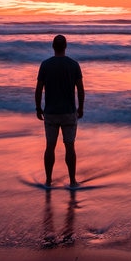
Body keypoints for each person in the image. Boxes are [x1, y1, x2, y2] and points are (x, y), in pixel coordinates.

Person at [35, 34, 84, 188]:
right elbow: (81, 90)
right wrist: (80, 107)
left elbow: (38, 89)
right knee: (70, 146)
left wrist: (38, 107)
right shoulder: (74, 65)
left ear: (53, 47)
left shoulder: (45, 65)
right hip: (69, 112)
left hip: (50, 112)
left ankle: (48, 181)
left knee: (50, 146)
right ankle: (72, 181)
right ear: (66, 46)